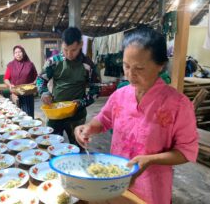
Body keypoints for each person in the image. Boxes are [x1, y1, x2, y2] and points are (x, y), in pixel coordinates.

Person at [74, 27, 198, 204]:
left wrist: (150, 160)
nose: (130, 74)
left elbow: (186, 151)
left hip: (150, 190)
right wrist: (88, 128)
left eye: (139, 68)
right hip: (114, 182)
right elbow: (104, 119)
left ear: (160, 65)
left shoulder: (178, 104)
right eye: (126, 66)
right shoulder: (120, 95)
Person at [36, 27, 100, 147]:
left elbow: (96, 90)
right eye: (65, 50)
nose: (69, 54)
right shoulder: (54, 62)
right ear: (62, 45)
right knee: (51, 146)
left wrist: (82, 102)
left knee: (77, 147)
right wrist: (44, 92)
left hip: (77, 116)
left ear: (81, 45)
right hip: (55, 113)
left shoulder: (88, 65)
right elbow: (41, 79)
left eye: (73, 50)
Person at [4, 45, 38, 118]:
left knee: (28, 115)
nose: (18, 54)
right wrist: (10, 85)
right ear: (14, 54)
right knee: (16, 115)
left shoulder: (30, 64)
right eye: (16, 52)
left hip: (27, 93)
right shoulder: (10, 65)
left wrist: (34, 82)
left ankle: (30, 127)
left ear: (23, 53)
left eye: (20, 52)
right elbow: (6, 78)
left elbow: (36, 77)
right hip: (15, 93)